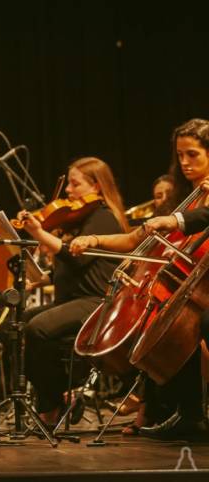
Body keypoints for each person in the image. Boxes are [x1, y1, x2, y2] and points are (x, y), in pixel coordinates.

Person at [70, 119, 209, 439]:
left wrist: (175, 219)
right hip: (189, 288)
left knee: (194, 326)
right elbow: (136, 239)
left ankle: (176, 410)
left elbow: (197, 219)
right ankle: (185, 413)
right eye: (180, 155)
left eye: (193, 154)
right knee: (167, 330)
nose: (185, 162)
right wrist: (94, 240)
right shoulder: (185, 196)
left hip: (203, 285)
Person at [16, 156, 126, 426]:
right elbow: (72, 269)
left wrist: (40, 233)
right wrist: (42, 279)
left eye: (75, 184)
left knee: (37, 328)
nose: (68, 190)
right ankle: (62, 397)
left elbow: (78, 259)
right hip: (71, 301)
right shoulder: (80, 219)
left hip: (97, 302)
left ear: (97, 186)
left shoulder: (103, 217)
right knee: (18, 324)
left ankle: (53, 403)